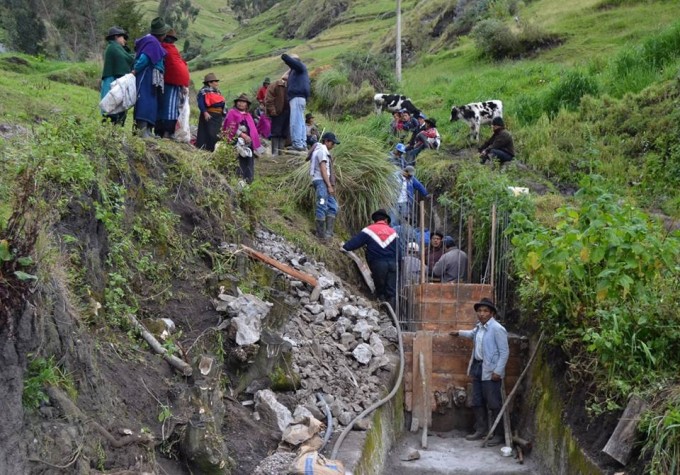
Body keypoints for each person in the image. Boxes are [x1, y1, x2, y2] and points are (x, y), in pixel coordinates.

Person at [450, 298, 509, 447]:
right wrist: (459, 333)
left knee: (494, 403)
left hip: (491, 370)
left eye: (485, 311)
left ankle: (499, 434)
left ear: (492, 313)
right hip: (477, 367)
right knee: (477, 400)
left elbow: (504, 352)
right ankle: (481, 429)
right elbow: (472, 334)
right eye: (480, 311)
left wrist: (498, 371)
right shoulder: (479, 328)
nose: (482, 314)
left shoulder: (497, 329)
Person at [342, 209, 398, 309]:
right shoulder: (393, 232)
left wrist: (345, 247)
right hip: (393, 264)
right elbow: (400, 252)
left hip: (378, 265)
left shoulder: (369, 230)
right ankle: (393, 318)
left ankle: (382, 312)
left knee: (380, 290)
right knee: (391, 292)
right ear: (386, 220)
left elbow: (354, 243)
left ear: (374, 220)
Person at [132, 17, 170, 138]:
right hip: (146, 75)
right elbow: (144, 59)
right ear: (161, 34)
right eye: (164, 34)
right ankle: (142, 129)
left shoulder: (154, 42)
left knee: (152, 101)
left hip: (154, 76)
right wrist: (135, 70)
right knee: (145, 99)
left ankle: (148, 129)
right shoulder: (152, 42)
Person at [156, 29, 189, 139]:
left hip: (166, 80)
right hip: (173, 81)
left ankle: (160, 131)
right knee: (170, 106)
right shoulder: (169, 49)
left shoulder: (163, 48)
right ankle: (166, 132)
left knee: (162, 104)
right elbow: (177, 64)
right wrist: (183, 83)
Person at [223, 93, 263, 184]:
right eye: (239, 102)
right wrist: (242, 135)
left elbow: (253, 130)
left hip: (247, 142)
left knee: (248, 160)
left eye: (243, 102)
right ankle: (237, 179)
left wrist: (251, 139)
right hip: (236, 141)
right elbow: (230, 127)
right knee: (238, 161)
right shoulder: (232, 113)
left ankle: (248, 180)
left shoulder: (248, 115)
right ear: (236, 103)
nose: (241, 104)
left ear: (247, 105)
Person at [100, 26, 134, 125]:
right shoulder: (114, 47)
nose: (124, 40)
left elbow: (127, 56)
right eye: (123, 37)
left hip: (113, 79)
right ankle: (111, 129)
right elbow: (127, 59)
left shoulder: (116, 47)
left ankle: (113, 129)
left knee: (114, 106)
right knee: (112, 106)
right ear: (116, 37)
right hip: (112, 80)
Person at [309, 132, 340, 240]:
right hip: (321, 182)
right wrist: (329, 185)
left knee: (333, 206)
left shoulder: (323, 150)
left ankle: (328, 233)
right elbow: (323, 169)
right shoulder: (322, 150)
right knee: (322, 204)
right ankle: (320, 234)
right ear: (326, 141)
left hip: (324, 183)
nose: (333, 146)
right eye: (332, 143)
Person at [281, 53, 310, 151]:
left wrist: (285, 57)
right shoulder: (296, 71)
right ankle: (302, 143)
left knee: (295, 121)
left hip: (297, 97)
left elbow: (293, 63)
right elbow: (283, 77)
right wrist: (290, 69)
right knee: (300, 121)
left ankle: (297, 144)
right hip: (299, 98)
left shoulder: (300, 67)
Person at [195, 73, 226, 151]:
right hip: (209, 114)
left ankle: (215, 150)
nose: (217, 83)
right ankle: (207, 150)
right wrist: (205, 112)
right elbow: (201, 103)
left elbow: (222, 103)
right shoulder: (203, 91)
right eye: (215, 81)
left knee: (217, 133)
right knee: (210, 133)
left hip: (218, 115)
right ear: (209, 82)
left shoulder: (217, 92)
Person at [265, 72, 290, 156]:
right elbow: (269, 99)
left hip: (288, 112)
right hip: (277, 112)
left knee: (284, 132)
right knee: (276, 132)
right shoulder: (275, 85)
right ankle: (275, 152)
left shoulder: (291, 86)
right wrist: (273, 111)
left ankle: (280, 151)